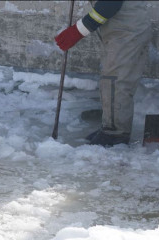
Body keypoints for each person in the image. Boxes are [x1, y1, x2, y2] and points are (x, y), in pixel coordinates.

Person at [55, 1, 151, 146]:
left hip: (127, 32)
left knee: (116, 82)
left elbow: (109, 5)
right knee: (110, 81)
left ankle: (116, 134)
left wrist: (77, 31)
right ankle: (110, 127)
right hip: (121, 30)